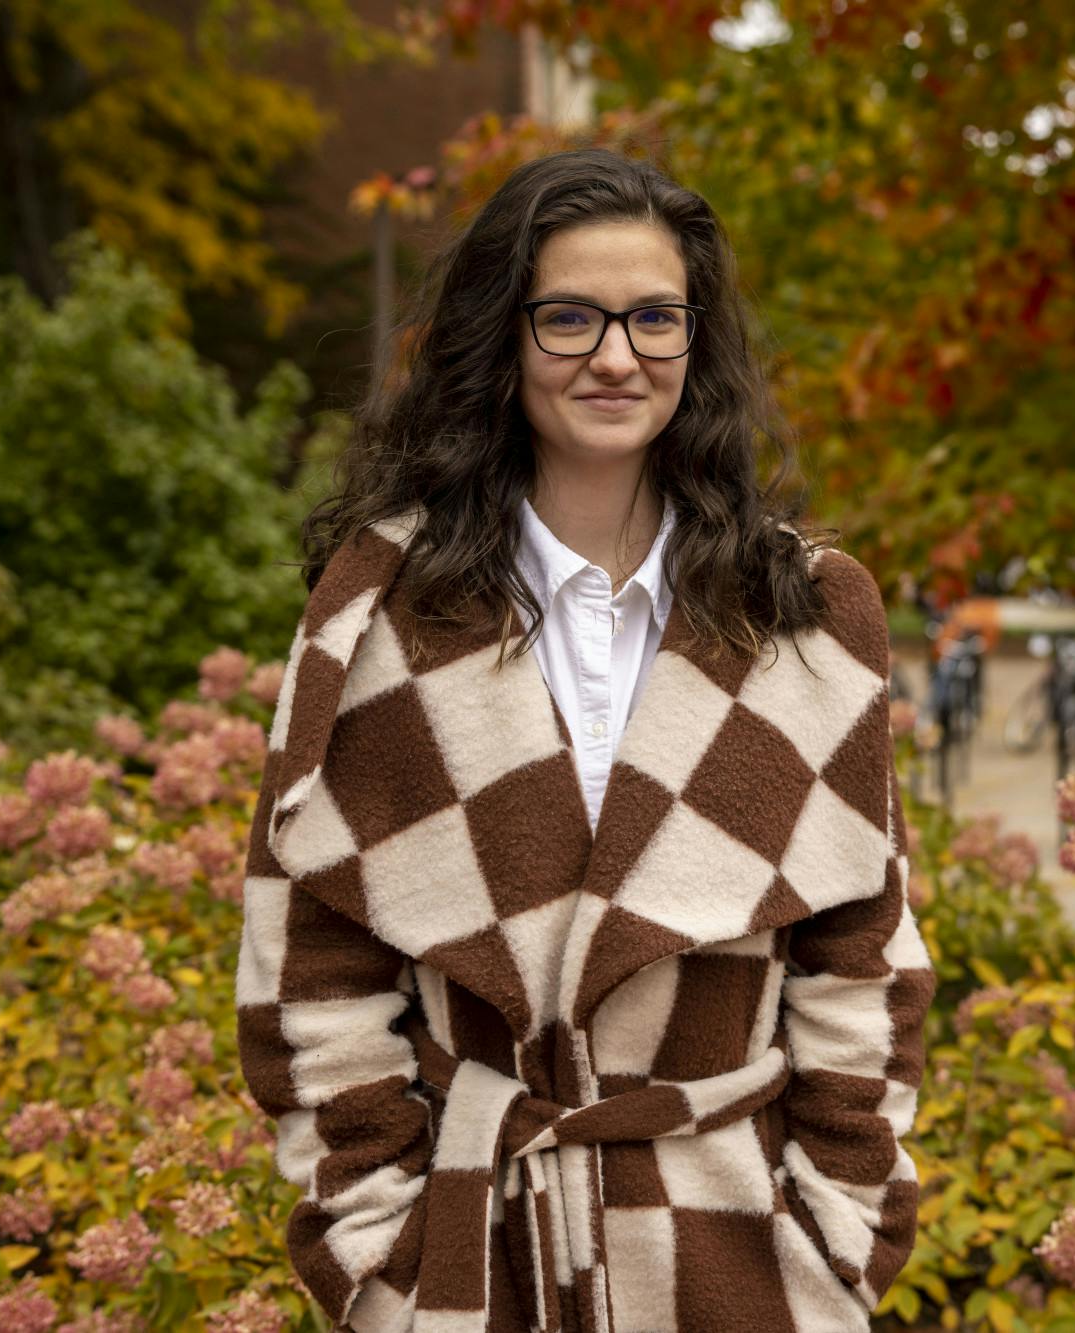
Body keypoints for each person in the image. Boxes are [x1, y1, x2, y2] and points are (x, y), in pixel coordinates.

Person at [234, 145, 937, 1333]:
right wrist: (378, 1265)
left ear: (693, 341)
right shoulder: (377, 616)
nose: (615, 356)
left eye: (654, 318)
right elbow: (310, 975)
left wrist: (840, 1239)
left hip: (744, 1258)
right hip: (468, 1257)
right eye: (568, 316)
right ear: (500, 338)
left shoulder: (803, 613)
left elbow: (863, 956)